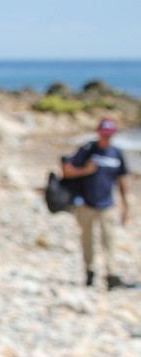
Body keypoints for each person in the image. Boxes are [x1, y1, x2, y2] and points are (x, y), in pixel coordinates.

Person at [62, 117, 133, 290]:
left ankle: (111, 275)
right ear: (98, 133)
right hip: (86, 203)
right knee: (87, 239)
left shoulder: (116, 153)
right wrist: (86, 170)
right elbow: (67, 171)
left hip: (108, 205)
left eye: (109, 135)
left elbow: (122, 180)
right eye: (103, 134)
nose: (106, 138)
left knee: (109, 239)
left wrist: (126, 206)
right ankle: (90, 272)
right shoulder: (88, 150)